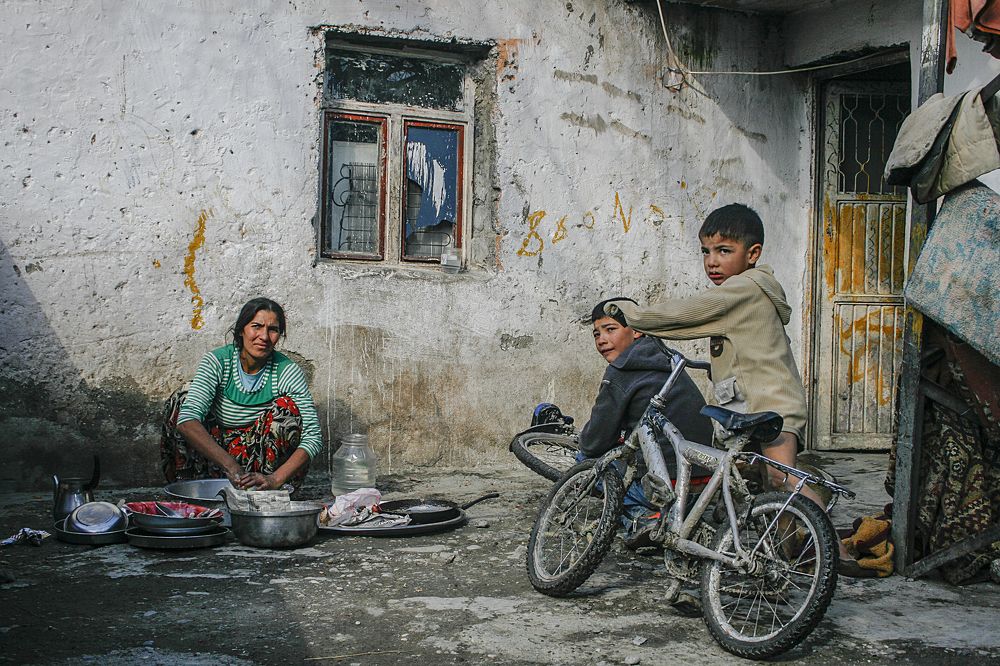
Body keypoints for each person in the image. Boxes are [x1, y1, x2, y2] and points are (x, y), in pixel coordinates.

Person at [605, 204, 854, 565]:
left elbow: (685, 315)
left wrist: (631, 315)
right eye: (706, 252)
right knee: (768, 485)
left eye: (724, 251)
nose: (712, 262)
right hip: (749, 406)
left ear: (752, 254)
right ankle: (787, 556)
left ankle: (838, 556)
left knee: (783, 480)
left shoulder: (744, 289)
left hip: (772, 405)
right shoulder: (746, 292)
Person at [579, 297, 714, 546]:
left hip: (664, 487)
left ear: (637, 330)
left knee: (586, 461)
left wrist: (585, 441)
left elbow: (594, 441)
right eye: (596, 334)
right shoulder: (669, 359)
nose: (601, 340)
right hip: (703, 483)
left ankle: (640, 517)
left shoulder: (621, 371)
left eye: (610, 329)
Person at [160, 297, 323, 491]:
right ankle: (189, 486)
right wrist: (231, 466)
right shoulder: (218, 361)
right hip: (214, 461)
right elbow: (187, 420)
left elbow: (313, 437)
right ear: (241, 330)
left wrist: (274, 479)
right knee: (183, 397)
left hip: (259, 469)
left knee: (287, 410)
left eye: (273, 330)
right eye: (256, 326)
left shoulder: (286, 370)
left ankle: (264, 491)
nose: (264, 336)